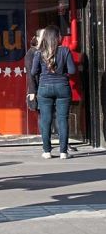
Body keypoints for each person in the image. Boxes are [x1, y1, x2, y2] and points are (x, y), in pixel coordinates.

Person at [31, 25, 76, 159]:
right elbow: (72, 70)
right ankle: (63, 152)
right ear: (57, 37)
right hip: (62, 87)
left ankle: (47, 151)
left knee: (46, 119)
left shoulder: (39, 53)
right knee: (62, 119)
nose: (61, 37)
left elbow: (33, 71)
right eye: (60, 34)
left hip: (44, 88)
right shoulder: (65, 51)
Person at [25, 29, 44, 110]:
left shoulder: (43, 51)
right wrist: (32, 91)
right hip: (37, 88)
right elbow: (30, 73)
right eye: (43, 36)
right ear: (37, 38)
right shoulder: (31, 52)